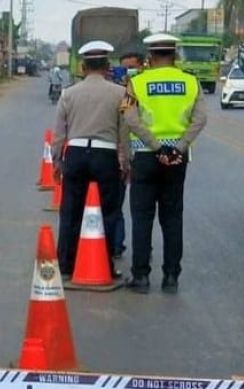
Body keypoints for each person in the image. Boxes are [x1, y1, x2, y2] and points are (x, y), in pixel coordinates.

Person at [122, 33, 208, 294]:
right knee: (172, 217)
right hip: (177, 158)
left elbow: (129, 118)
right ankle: (171, 277)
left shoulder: (136, 82)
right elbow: (200, 119)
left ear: (150, 56)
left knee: (142, 217)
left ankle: (141, 277)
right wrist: (177, 148)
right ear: (175, 55)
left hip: (146, 156)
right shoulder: (191, 82)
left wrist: (156, 146)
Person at [52, 41, 128, 279]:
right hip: (105, 156)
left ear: (83, 67)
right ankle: (104, 264)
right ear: (107, 67)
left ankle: (65, 264)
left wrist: (56, 161)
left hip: (75, 154)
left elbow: (59, 132)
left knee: (71, 210)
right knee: (108, 212)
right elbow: (124, 131)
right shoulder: (122, 93)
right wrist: (124, 161)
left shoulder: (68, 93)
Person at [108, 51, 144, 260]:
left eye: (132, 67)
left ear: (141, 67)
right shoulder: (119, 93)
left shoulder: (142, 87)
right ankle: (116, 244)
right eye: (125, 68)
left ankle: (142, 253)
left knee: (142, 210)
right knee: (116, 202)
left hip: (144, 153)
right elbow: (121, 123)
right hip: (123, 154)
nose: (128, 72)